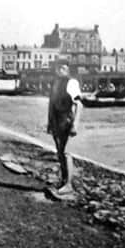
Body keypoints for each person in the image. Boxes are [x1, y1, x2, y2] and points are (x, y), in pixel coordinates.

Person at [47, 64, 82, 195]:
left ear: (67, 70)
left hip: (68, 120)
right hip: (57, 120)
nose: (60, 70)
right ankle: (63, 180)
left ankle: (69, 184)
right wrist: (50, 122)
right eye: (59, 68)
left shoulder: (72, 83)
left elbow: (79, 104)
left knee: (67, 152)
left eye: (63, 68)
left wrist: (75, 125)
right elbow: (51, 104)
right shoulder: (55, 83)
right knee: (60, 152)